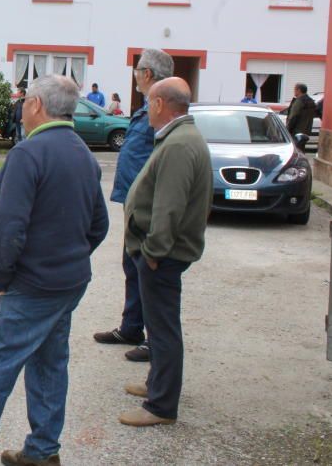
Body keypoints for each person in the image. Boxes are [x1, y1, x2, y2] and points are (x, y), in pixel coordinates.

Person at [0, 75, 109, 466]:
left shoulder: (28, 153)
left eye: (24, 101)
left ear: (36, 105)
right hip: (67, 282)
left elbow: (9, 227)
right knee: (50, 364)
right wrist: (67, 257)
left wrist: (2, 279)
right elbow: (99, 225)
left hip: (26, 287)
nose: (21, 107)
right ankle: (42, 451)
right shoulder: (83, 153)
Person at [119, 77, 212, 427]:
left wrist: (153, 252)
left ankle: (161, 406)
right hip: (163, 252)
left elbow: (168, 208)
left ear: (159, 104)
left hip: (163, 255)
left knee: (162, 329)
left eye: (148, 103)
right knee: (160, 326)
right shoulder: (180, 138)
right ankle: (155, 385)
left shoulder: (179, 144)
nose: (145, 112)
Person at [93, 48, 174, 364]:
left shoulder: (161, 108)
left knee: (150, 272)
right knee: (132, 266)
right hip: (134, 202)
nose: (135, 74)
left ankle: (155, 341)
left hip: (148, 207)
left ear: (148, 74)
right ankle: (131, 328)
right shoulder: (147, 107)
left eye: (137, 69)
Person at [286, 82, 317, 152]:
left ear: (299, 90)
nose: (294, 91)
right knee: (301, 149)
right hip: (306, 131)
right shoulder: (311, 101)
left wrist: (287, 130)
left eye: (295, 89)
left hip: (296, 131)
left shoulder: (299, 101)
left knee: (295, 150)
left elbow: (293, 116)